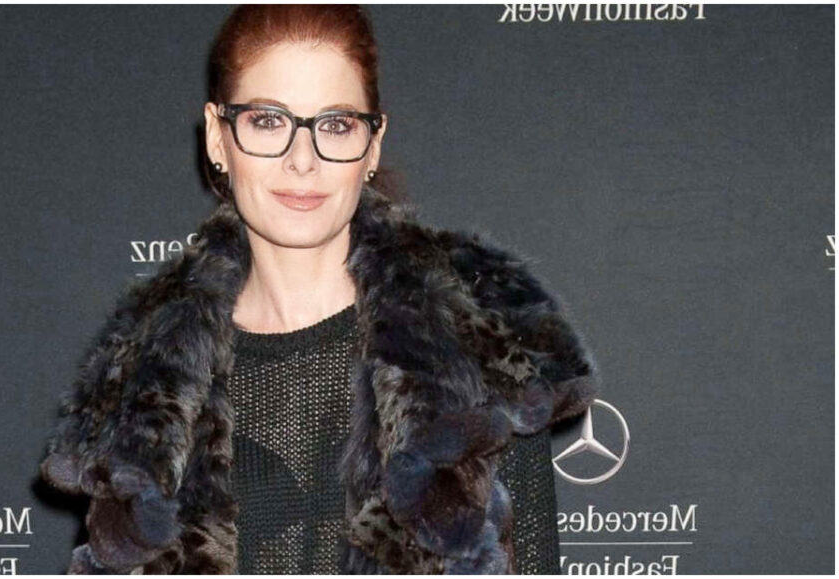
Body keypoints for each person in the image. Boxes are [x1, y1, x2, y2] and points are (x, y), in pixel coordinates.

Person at [39, 5, 599, 575]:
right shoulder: (142, 386)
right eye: (267, 121)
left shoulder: (478, 347)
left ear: (372, 144)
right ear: (217, 136)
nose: (302, 160)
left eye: (335, 125)